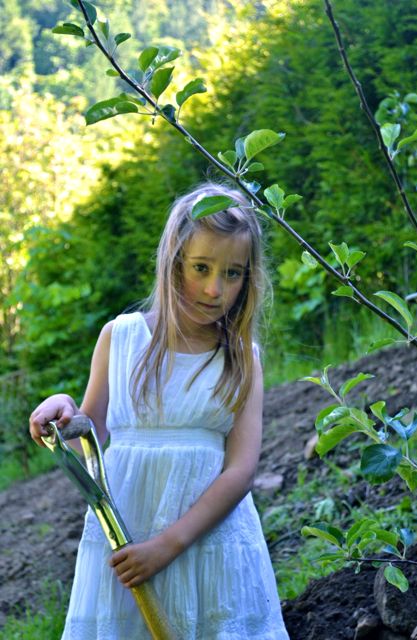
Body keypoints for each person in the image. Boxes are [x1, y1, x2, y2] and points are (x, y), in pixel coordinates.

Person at [30, 181, 290, 639]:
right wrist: (64, 410)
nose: (214, 289)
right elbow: (93, 429)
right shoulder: (121, 337)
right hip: (129, 532)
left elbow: (240, 471)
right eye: (201, 267)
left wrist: (168, 545)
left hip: (207, 544)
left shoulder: (242, 358)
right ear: (174, 262)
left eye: (232, 274)